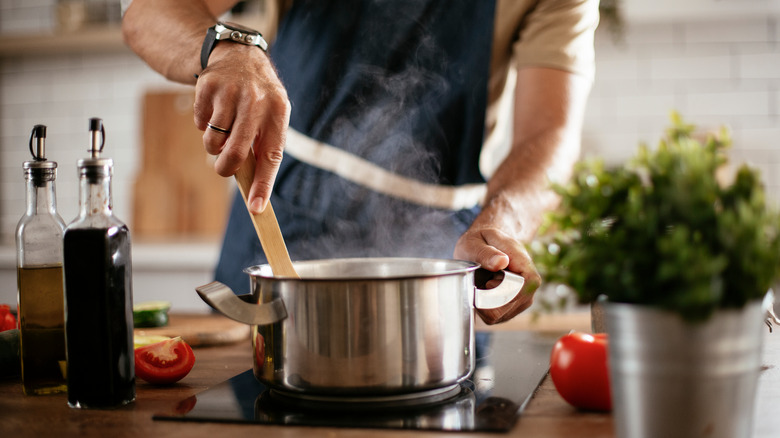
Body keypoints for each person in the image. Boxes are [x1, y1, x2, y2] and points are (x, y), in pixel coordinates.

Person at [121, 0, 598, 324]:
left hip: (440, 250)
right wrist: (223, 49)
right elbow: (147, 12)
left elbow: (549, 132)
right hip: (282, 220)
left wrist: (505, 224)